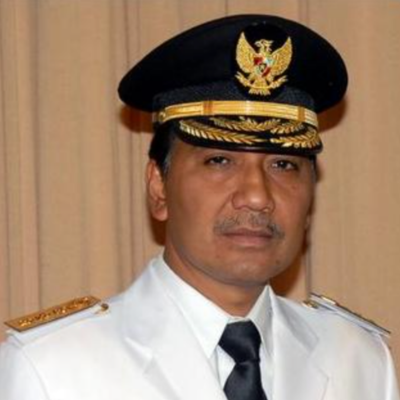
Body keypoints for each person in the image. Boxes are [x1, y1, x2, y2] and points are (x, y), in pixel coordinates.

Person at [0, 14, 398, 400]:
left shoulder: (358, 361)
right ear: (159, 186)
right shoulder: (52, 368)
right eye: (219, 161)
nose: (257, 196)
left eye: (283, 165)